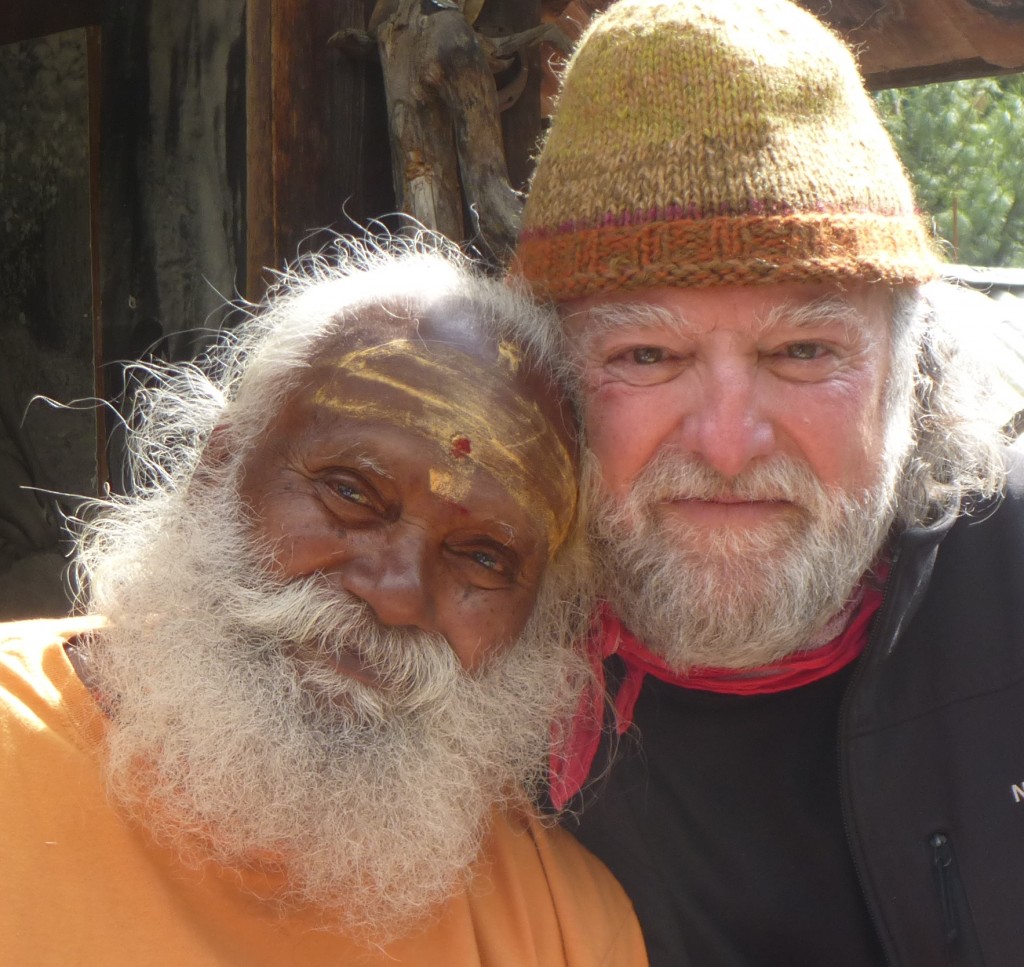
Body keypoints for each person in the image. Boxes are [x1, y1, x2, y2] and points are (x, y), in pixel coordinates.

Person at [515, 1, 1024, 964]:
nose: (729, 443)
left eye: (802, 349)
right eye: (647, 353)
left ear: (905, 374)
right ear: (550, 382)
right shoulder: (460, 653)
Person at [0, 239, 648, 966]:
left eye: (483, 557)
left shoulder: (564, 930)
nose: (397, 595)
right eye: (350, 491)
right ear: (218, 470)